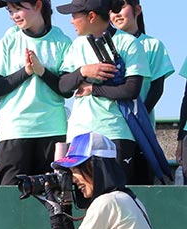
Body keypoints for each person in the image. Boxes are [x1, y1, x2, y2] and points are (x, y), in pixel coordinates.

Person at [57, 0, 148, 183]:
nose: (71, 21)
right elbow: (64, 86)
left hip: (116, 132)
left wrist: (93, 89)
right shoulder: (77, 45)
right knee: (83, 195)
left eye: (74, 15)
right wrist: (83, 71)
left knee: (116, 193)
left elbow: (131, 90)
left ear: (91, 16)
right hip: (79, 133)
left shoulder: (128, 42)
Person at [0, 1, 72, 187]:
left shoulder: (62, 41)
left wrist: (42, 71)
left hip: (52, 129)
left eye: (18, 9)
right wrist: (26, 71)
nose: (14, 16)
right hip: (15, 129)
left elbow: (67, 90)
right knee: (10, 193)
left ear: (38, 5)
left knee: (52, 193)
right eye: (10, 11)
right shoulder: (9, 40)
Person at [109, 0, 174, 184]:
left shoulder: (153, 45)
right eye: (112, 9)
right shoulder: (104, 43)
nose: (116, 14)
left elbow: (157, 88)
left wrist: (137, 118)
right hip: (112, 129)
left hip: (141, 132)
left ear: (137, 9)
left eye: (121, 7)